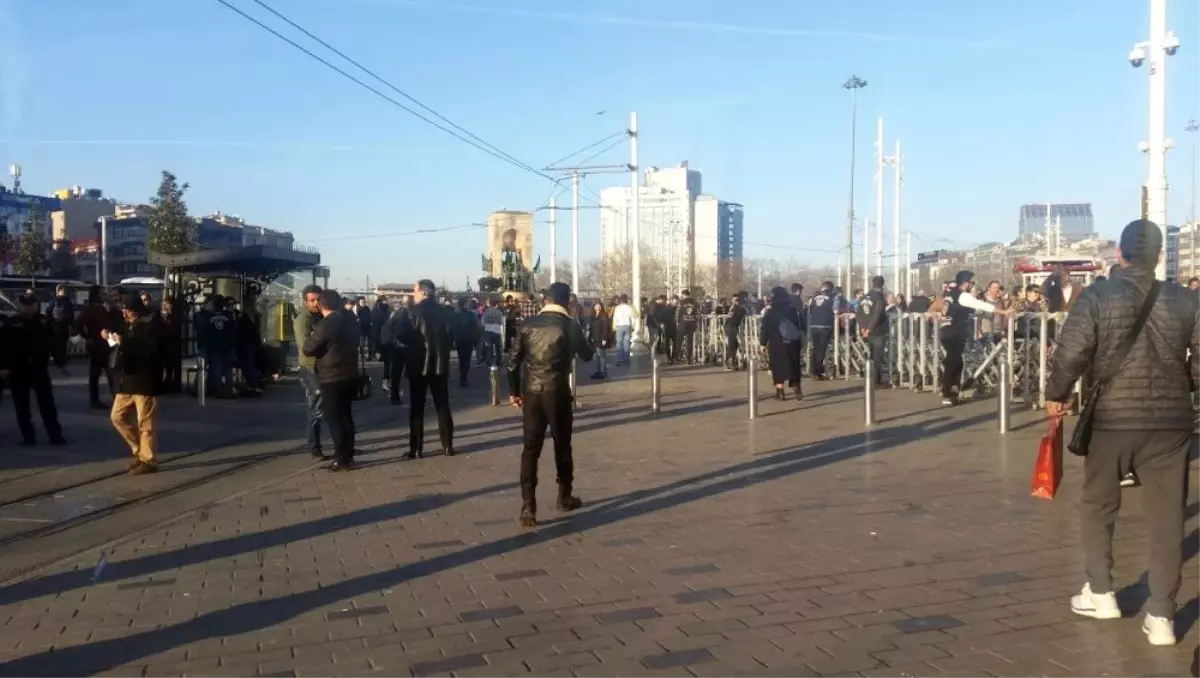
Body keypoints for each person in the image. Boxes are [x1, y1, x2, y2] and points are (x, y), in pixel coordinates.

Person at [1047, 220, 1199, 647]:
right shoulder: (1188, 300)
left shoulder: (1097, 296)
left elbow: (1071, 351)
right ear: (1160, 256)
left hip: (1112, 418)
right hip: (1170, 423)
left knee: (1099, 504)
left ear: (1121, 254)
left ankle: (1101, 593)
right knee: (1168, 519)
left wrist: (1056, 394)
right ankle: (1163, 617)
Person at [509, 282, 595, 527]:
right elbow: (588, 354)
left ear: (545, 301)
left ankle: (528, 505)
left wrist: (515, 392)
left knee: (530, 449)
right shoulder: (569, 325)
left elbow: (513, 362)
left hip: (532, 392)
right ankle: (564, 496)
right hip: (557, 392)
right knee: (562, 445)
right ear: (566, 301)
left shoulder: (528, 324)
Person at [302, 289, 361, 471]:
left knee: (334, 418)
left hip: (331, 376)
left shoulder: (329, 323)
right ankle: (348, 454)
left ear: (322, 305)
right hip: (350, 373)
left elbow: (308, 348)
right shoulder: (350, 319)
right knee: (346, 415)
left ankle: (341, 458)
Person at [0, 294, 68, 445]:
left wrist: (60, 362)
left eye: (31, 304)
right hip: (18, 369)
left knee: (47, 404)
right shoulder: (12, 324)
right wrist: (3, 367)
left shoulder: (43, 322)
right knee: (21, 406)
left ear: (35, 305)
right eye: (25, 304)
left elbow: (54, 343)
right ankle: (28, 437)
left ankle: (55, 435)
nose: (28, 307)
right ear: (20, 305)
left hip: (39, 368)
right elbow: (2, 347)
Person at [399, 279, 455, 459]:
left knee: (416, 407)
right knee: (442, 404)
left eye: (415, 291)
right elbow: (452, 336)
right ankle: (447, 445)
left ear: (423, 292)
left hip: (417, 364)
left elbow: (402, 337)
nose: (413, 294)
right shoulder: (446, 313)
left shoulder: (411, 312)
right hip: (439, 364)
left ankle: (416, 448)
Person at [109, 294, 162, 474]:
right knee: (117, 417)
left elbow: (149, 351)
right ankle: (140, 450)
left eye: (128, 311)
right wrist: (110, 338)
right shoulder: (127, 325)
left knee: (145, 423)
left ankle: (148, 460)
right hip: (127, 381)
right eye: (123, 311)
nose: (125, 315)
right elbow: (122, 345)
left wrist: (125, 344)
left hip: (144, 380)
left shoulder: (151, 326)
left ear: (137, 311)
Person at [939, 270, 1008, 406]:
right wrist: (1002, 312)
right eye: (971, 282)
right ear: (966, 282)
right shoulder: (963, 296)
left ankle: (950, 391)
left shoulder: (950, 294)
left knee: (954, 362)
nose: (972, 285)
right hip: (955, 332)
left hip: (946, 331)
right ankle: (948, 393)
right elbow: (979, 304)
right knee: (954, 363)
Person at [293, 285, 328, 459]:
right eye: (312, 300)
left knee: (327, 407)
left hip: (324, 367)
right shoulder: (303, 319)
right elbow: (307, 346)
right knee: (316, 409)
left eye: (318, 299)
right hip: (310, 368)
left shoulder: (322, 316)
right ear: (305, 301)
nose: (315, 303)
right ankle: (314, 447)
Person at [759, 286, 804, 401]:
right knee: (793, 364)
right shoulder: (792, 310)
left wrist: (763, 343)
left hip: (776, 342)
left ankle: (780, 392)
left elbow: (765, 328)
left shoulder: (771, 312)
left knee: (778, 366)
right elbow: (800, 325)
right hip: (793, 342)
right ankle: (796, 385)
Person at [76, 286, 115, 409]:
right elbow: (78, 323)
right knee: (99, 374)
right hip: (98, 344)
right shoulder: (91, 308)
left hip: (107, 343)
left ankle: (113, 399)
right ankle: (96, 400)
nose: (105, 295)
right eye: (102, 293)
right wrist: (88, 337)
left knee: (109, 373)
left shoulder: (103, 306)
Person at [856, 276, 889, 388]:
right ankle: (875, 381)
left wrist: (863, 328)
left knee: (870, 355)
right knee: (877, 357)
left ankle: (870, 378)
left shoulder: (863, 297)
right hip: (878, 331)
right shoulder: (879, 297)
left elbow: (859, 314)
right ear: (882, 285)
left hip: (866, 332)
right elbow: (877, 314)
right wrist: (870, 328)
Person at [380, 295, 413, 405]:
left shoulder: (398, 314)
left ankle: (395, 394)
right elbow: (395, 332)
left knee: (398, 372)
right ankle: (395, 395)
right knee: (398, 372)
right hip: (399, 347)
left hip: (398, 347)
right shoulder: (402, 315)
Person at [807, 282, 837, 380]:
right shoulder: (832, 297)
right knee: (821, 351)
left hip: (814, 325)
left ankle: (815, 371)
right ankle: (815, 372)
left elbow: (810, 309)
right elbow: (835, 310)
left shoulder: (815, 297)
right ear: (831, 289)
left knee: (816, 349)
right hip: (825, 326)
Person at [158, 296, 183, 393]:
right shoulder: (160, 315)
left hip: (174, 344)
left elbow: (175, 328)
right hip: (164, 344)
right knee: (165, 366)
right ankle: (166, 383)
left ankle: (175, 385)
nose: (165, 306)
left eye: (168, 304)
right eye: (164, 304)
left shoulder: (176, 315)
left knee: (174, 365)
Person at [453, 298, 479, 387]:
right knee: (467, 359)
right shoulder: (471, 315)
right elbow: (476, 327)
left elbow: (452, 328)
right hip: (468, 339)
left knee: (462, 358)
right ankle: (464, 376)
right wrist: (476, 338)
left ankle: (463, 375)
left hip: (459, 339)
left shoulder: (456, 315)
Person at [47, 284, 75, 362]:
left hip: (65, 325)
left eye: (65, 291)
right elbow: (48, 311)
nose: (64, 292)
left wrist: (72, 324)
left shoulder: (68, 302)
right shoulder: (54, 301)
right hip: (56, 325)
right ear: (58, 291)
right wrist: (51, 320)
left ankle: (62, 357)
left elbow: (71, 314)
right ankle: (56, 357)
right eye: (62, 291)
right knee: (57, 342)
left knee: (63, 341)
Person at [589, 301, 613, 379]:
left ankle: (603, 372)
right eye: (596, 306)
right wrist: (591, 337)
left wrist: (604, 338)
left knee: (602, 356)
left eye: (599, 306)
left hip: (601, 338)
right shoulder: (593, 315)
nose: (597, 308)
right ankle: (598, 371)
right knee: (597, 356)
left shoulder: (603, 315)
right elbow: (591, 327)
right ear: (594, 307)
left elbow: (606, 328)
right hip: (595, 338)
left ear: (601, 307)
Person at [675, 290, 700, 365]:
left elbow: (677, 313)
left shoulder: (681, 302)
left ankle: (676, 358)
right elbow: (698, 313)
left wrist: (677, 323)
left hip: (683, 324)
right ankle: (689, 359)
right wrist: (696, 323)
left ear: (683, 295)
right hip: (692, 324)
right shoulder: (695, 302)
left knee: (679, 340)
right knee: (689, 341)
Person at [611, 294, 636, 366]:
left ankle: (619, 359)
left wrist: (614, 327)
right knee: (626, 343)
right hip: (627, 326)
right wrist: (632, 326)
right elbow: (633, 318)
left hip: (619, 326)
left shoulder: (617, 308)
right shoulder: (629, 308)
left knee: (619, 343)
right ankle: (627, 360)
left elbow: (615, 318)